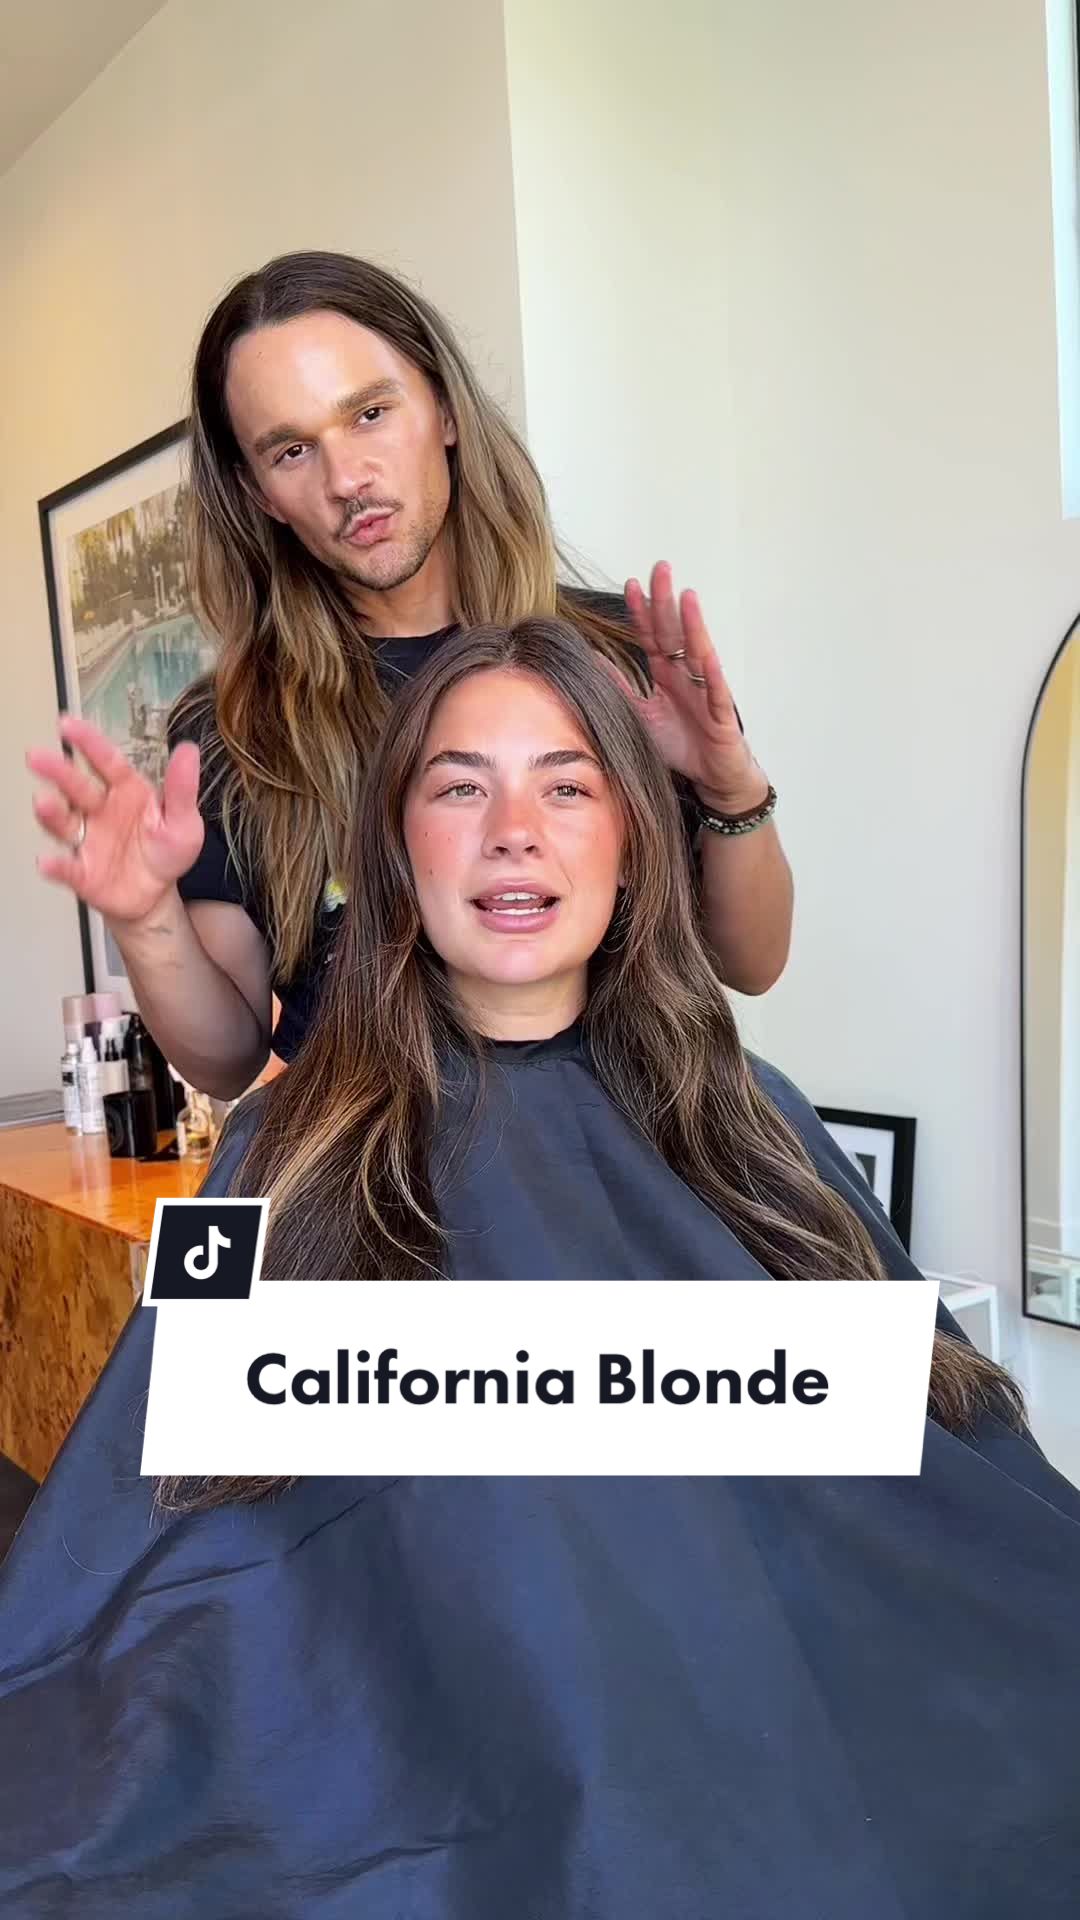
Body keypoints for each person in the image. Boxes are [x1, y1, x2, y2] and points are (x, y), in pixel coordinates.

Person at [2, 624, 1078, 1919]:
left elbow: (937, 1451)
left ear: (632, 843)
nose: (515, 830)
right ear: (396, 850)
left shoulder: (759, 1122)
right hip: (417, 1767)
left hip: (767, 1736)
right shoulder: (270, 1152)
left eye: (567, 785)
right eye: (460, 787)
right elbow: (147, 1459)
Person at [26, 251, 793, 1099]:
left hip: (634, 1144)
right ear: (259, 494)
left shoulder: (619, 658)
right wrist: (145, 920)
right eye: (292, 450)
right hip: (374, 1169)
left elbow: (752, 964)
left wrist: (731, 791)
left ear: (445, 409)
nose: (347, 479)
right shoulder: (236, 728)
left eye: (370, 414)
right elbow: (225, 1060)